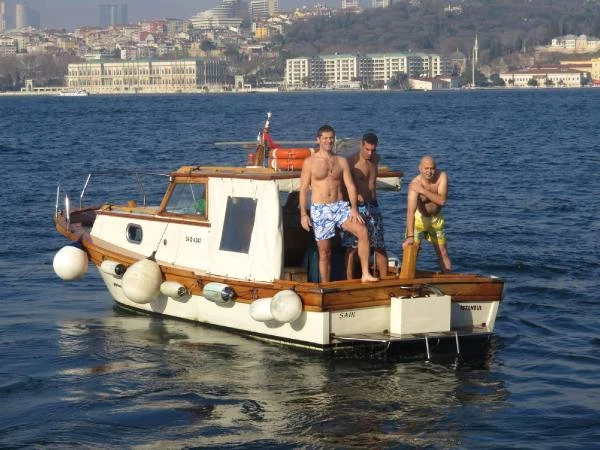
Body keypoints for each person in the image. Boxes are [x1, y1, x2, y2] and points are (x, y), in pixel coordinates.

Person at [299, 125, 378, 283]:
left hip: (340, 206)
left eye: (331, 138)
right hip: (320, 208)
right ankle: (326, 284)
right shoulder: (310, 162)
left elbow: (350, 186)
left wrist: (354, 209)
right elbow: (303, 189)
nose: (329, 141)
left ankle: (365, 274)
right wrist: (303, 214)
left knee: (362, 231)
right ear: (318, 140)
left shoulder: (341, 161)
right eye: (325, 138)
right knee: (324, 251)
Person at [343, 132, 388, 278]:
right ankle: (349, 281)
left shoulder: (376, 159)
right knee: (353, 247)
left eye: (373, 150)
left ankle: (385, 280)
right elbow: (344, 185)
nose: (370, 153)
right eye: (367, 149)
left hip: (374, 205)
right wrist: (352, 204)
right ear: (361, 145)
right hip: (357, 208)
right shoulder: (351, 162)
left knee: (379, 245)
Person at [402, 155, 451, 273]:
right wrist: (410, 236)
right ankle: (407, 277)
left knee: (443, 252)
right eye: (426, 168)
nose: (429, 171)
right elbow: (410, 211)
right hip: (419, 219)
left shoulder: (442, 177)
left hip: (436, 220)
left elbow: (442, 201)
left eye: (432, 168)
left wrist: (423, 191)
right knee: (413, 251)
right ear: (420, 169)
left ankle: (448, 278)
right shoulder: (415, 184)